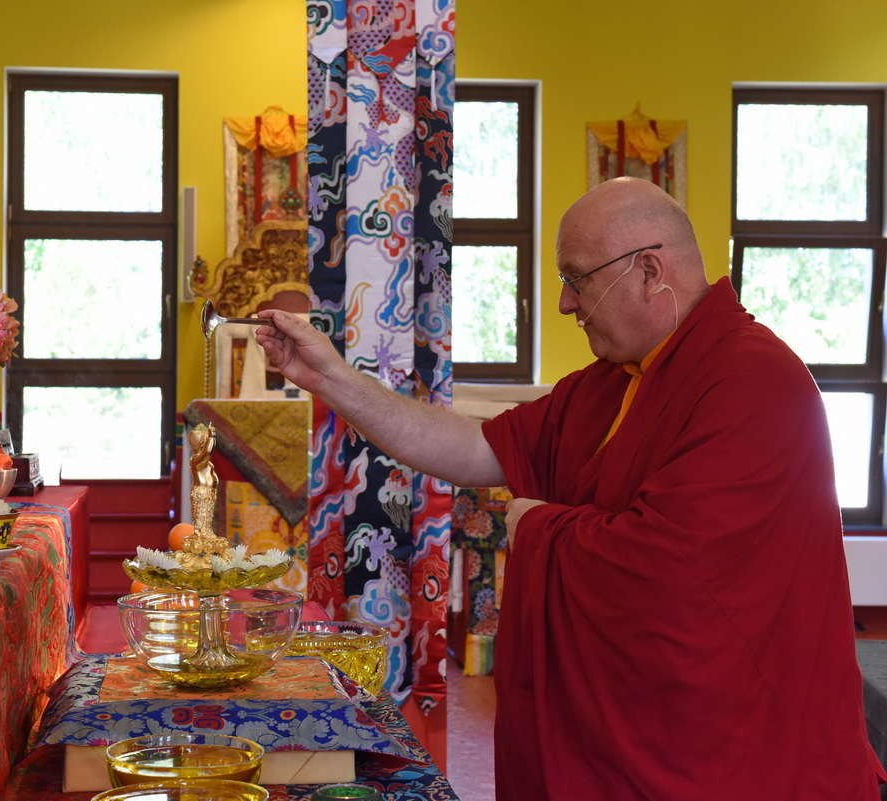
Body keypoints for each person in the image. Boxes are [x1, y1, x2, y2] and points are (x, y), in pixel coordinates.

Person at [254, 177, 883, 800]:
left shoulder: (754, 380)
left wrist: (534, 526)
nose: (562, 303)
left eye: (576, 278)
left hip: (731, 753)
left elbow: (673, 568)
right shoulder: (613, 383)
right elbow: (472, 448)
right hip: (636, 737)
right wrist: (331, 379)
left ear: (649, 271)